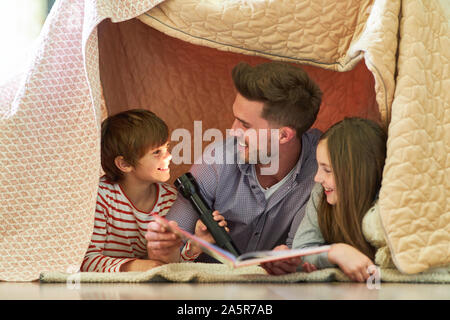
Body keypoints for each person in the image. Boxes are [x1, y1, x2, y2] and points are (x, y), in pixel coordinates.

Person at [146, 61, 323, 263]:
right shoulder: (216, 160)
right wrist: (163, 245)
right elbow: (165, 248)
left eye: (245, 125)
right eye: (236, 119)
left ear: (283, 135)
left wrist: (291, 263)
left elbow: (300, 258)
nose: (232, 130)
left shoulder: (323, 171)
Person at [262, 117, 387, 282]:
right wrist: (334, 253)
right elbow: (303, 249)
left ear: (357, 175)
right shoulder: (321, 192)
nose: (317, 178)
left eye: (327, 170)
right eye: (318, 167)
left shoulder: (388, 201)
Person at [81, 109, 177, 272]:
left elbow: (172, 262)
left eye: (166, 147)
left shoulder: (170, 198)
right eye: (156, 152)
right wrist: (139, 266)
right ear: (124, 164)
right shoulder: (101, 197)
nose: (169, 156)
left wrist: (193, 248)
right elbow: (86, 260)